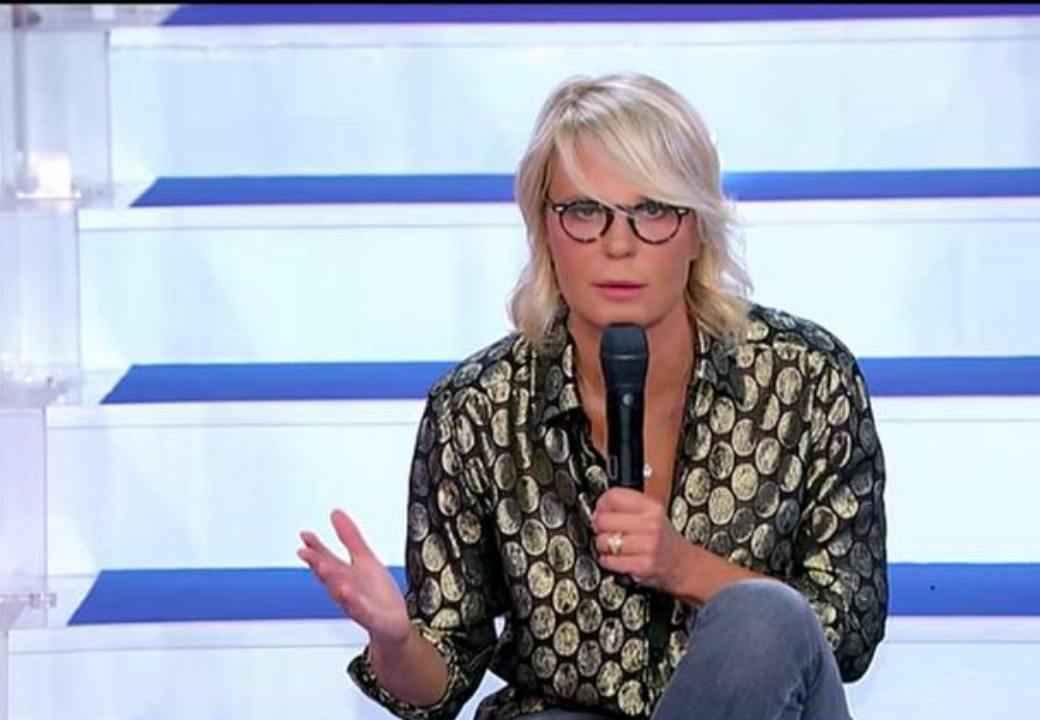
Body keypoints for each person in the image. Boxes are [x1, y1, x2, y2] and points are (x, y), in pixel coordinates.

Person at [297, 72, 888, 720]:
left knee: (766, 616)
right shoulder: (478, 408)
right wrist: (394, 641)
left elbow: (844, 631)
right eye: (584, 211)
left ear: (698, 229)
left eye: (653, 210)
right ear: (544, 228)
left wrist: (682, 566)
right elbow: (440, 679)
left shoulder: (806, 379)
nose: (618, 244)